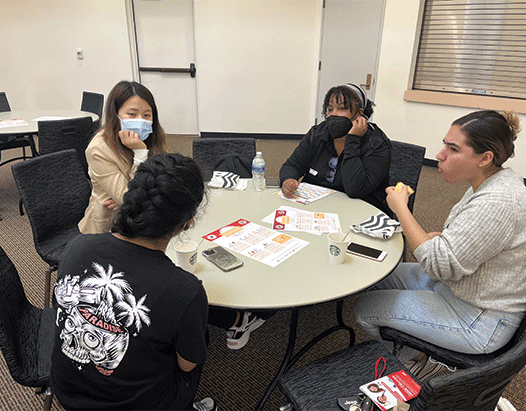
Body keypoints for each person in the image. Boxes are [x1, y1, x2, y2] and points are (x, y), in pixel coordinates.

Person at [354, 110, 526, 379]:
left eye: (453, 149)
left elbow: (438, 265)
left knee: (365, 309)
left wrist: (401, 209)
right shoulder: (489, 182)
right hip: (460, 287)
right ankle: (415, 351)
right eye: (445, 144)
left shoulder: (498, 201)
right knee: (376, 275)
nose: (440, 155)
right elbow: (463, 246)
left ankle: (414, 366)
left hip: (480, 318)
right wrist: (441, 242)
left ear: (485, 158)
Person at [51, 153, 216, 411]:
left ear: (130, 200)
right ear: (187, 224)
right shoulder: (185, 290)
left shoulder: (77, 246)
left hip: (66, 393)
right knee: (198, 339)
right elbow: (187, 365)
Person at [279, 83, 391, 214]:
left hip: (359, 212)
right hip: (316, 208)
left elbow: (355, 189)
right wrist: (288, 179)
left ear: (359, 114)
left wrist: (353, 140)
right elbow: (292, 165)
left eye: (342, 108)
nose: (333, 115)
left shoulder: (376, 144)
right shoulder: (318, 133)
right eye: (330, 109)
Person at [79, 80, 169, 234]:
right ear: (116, 114)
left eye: (147, 115)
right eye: (132, 114)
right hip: (112, 226)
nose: (141, 120)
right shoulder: (98, 149)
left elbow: (168, 177)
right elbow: (128, 198)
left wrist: (130, 199)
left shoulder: (152, 136)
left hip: (147, 216)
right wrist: (140, 154)